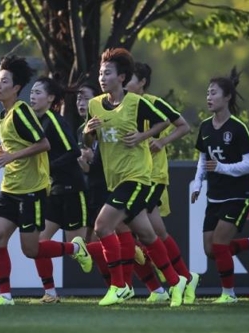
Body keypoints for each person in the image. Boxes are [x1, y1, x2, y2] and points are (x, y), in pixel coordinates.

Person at [0, 55, 92, 306]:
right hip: (9, 188)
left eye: (4, 81)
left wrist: (12, 156)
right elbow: (9, 144)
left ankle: (77, 249)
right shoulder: (4, 115)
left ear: (16, 88)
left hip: (31, 190)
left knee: (31, 249)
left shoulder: (21, 112)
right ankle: (5, 296)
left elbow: (43, 144)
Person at [83, 47, 187, 307]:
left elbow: (163, 121)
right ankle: (176, 282)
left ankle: (120, 286)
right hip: (113, 179)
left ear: (121, 77)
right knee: (147, 235)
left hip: (137, 177)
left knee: (102, 226)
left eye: (108, 73)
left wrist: (143, 137)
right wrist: (87, 131)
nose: (102, 78)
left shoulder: (136, 103)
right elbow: (90, 139)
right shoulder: (95, 104)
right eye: (100, 73)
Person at [191, 68, 249, 304]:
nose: (209, 97)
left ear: (227, 97)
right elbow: (202, 161)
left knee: (219, 244)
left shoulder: (237, 127)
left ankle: (229, 294)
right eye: (207, 93)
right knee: (210, 250)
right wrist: (198, 184)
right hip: (214, 196)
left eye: (213, 93)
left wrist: (223, 167)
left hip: (237, 195)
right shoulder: (205, 127)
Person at [126, 62, 200, 304]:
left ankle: (169, 281)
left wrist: (162, 141)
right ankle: (184, 279)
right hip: (136, 175)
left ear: (142, 83)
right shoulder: (124, 106)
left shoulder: (155, 103)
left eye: (130, 79)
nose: (126, 84)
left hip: (154, 175)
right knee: (156, 231)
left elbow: (184, 126)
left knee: (140, 230)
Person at [29, 76, 90, 303]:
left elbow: (74, 152)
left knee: (82, 248)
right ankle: (50, 293)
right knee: (37, 245)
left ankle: (124, 251)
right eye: (31, 92)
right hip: (54, 192)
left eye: (38, 93)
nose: (32, 96)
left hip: (73, 189)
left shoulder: (54, 120)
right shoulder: (38, 122)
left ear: (51, 98)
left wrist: (48, 167)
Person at [75, 82, 107, 243]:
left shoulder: (105, 124)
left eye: (86, 99)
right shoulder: (81, 130)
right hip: (90, 190)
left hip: (106, 189)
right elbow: (86, 166)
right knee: (89, 240)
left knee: (100, 238)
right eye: (78, 99)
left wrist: (91, 160)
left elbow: (101, 162)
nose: (81, 103)